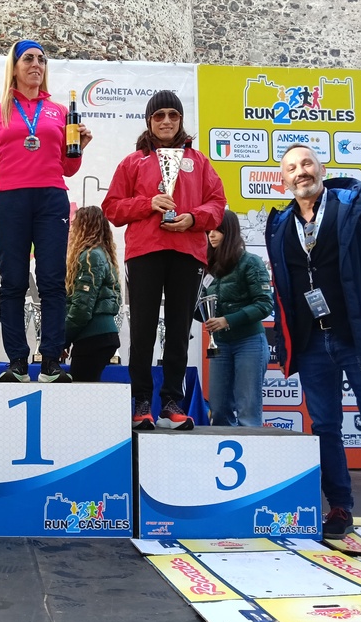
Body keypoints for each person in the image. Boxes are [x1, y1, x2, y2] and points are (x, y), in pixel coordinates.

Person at [266, 144, 361, 553]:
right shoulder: (280, 225)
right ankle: (339, 508)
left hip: (359, 336)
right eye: (291, 168)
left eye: (307, 163)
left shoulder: (358, 209)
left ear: (322, 168)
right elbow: (283, 289)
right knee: (326, 427)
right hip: (311, 342)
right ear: (283, 180)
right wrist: (284, 342)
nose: (300, 172)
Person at [0, 39, 92, 384]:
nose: (36, 64)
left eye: (41, 59)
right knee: (13, 281)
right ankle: (18, 363)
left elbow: (69, 169)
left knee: (52, 281)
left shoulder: (59, 111)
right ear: (15, 66)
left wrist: (79, 148)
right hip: (10, 199)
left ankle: (51, 361)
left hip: (51, 198)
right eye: (28, 59)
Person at [102, 90, 225, 430]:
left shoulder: (199, 162)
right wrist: (148, 203)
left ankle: (172, 402)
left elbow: (217, 204)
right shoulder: (133, 162)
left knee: (178, 330)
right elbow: (112, 208)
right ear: (149, 121)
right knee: (142, 330)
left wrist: (193, 219)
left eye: (173, 115)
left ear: (181, 119)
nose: (167, 121)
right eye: (159, 116)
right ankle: (142, 401)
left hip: (187, 252)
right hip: (145, 252)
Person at [201, 210, 273, 427]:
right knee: (219, 409)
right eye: (209, 231)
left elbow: (264, 304)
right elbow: (203, 307)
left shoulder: (250, 262)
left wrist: (227, 320)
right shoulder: (206, 267)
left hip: (249, 342)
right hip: (220, 344)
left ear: (230, 231)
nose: (212, 235)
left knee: (248, 410)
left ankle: (251, 449)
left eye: (218, 230)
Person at [63, 206, 122, 382]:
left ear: (84, 227)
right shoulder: (102, 255)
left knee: (81, 391)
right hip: (99, 337)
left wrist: (63, 340)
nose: (71, 229)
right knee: (87, 388)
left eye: (74, 224)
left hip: (93, 338)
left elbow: (82, 308)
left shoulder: (90, 257)